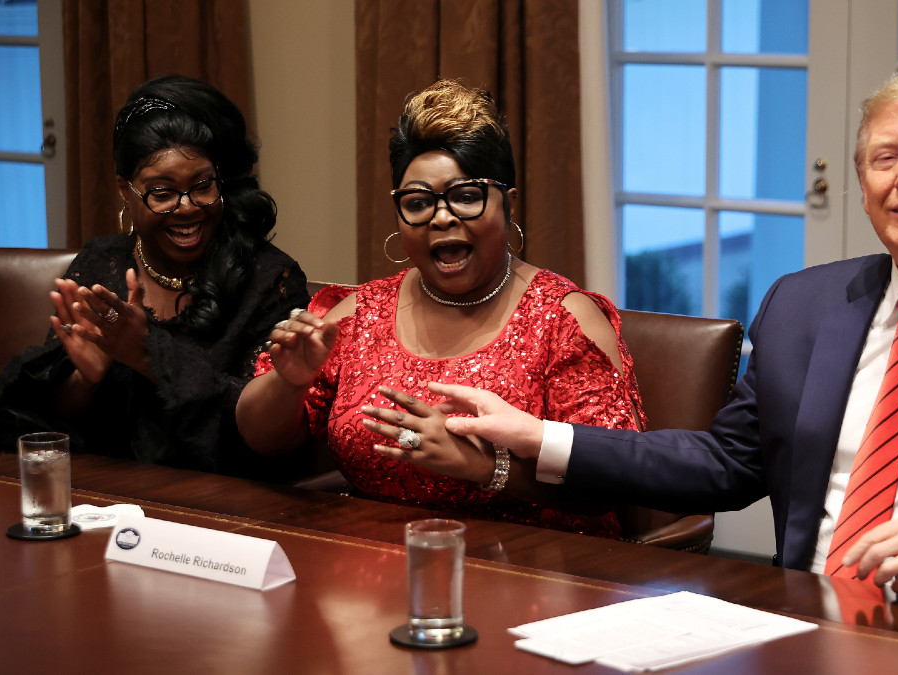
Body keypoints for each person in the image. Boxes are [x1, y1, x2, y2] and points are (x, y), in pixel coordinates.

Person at [396, 73, 898, 608]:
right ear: (861, 185)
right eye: (884, 158)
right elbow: (726, 464)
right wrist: (541, 436)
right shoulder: (804, 304)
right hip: (800, 618)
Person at [236, 79, 644, 537]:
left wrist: (481, 465)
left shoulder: (563, 321)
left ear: (508, 205)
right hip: (372, 569)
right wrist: (289, 383)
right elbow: (261, 440)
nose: (442, 217)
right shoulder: (357, 313)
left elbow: (615, 478)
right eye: (418, 203)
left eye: (466, 197)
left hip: (537, 569)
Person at [0, 75, 310, 479]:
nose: (188, 208)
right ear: (126, 191)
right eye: (162, 193)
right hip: (109, 500)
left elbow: (259, 432)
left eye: (202, 186)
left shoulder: (268, 278)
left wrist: (145, 353)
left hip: (223, 505)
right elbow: (54, 428)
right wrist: (87, 379)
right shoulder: (101, 264)